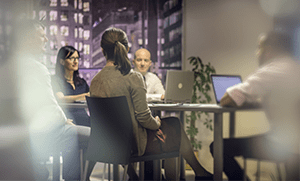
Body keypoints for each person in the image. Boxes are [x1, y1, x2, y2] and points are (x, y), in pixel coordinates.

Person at [90, 27, 213, 181]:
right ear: (127, 49)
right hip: (133, 145)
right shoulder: (133, 77)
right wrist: (156, 124)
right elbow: (143, 117)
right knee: (173, 126)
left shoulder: (95, 81)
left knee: (169, 130)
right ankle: (199, 173)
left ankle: (142, 178)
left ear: (102, 50)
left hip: (108, 144)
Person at [9, 19, 95, 181]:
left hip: (30, 128)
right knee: (95, 137)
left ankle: (80, 176)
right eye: (42, 36)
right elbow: (51, 104)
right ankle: (76, 177)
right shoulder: (38, 69)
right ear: (28, 38)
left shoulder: (14, 65)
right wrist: (64, 121)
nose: (47, 39)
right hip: (46, 129)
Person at [210, 31, 300, 181]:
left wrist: (244, 101)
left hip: (285, 144)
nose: (257, 53)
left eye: (259, 48)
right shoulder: (298, 67)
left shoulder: (272, 70)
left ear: (268, 51)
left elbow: (227, 99)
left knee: (219, 147)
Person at [52, 46, 91, 127]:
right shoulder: (55, 80)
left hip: (85, 120)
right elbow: (61, 99)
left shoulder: (82, 82)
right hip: (68, 121)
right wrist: (84, 96)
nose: (75, 61)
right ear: (62, 61)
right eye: (71, 58)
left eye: (77, 58)